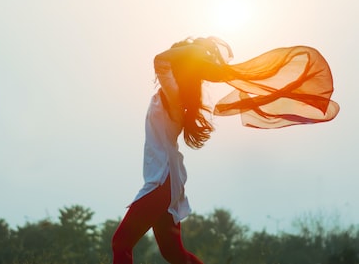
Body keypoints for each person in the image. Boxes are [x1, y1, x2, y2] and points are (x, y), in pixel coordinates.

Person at [111, 36, 339, 264]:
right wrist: (194, 52)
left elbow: (160, 60)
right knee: (173, 254)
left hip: (162, 181)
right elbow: (165, 61)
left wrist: (193, 51)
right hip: (165, 181)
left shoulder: (173, 94)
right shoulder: (176, 95)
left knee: (121, 243)